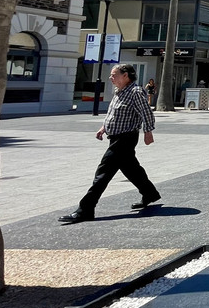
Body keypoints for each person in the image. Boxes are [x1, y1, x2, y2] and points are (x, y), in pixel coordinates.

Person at [59, 63, 160, 224]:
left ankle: (85, 209)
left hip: (125, 138)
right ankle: (150, 193)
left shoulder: (135, 92)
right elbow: (114, 113)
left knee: (103, 172)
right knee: (131, 169)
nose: (111, 78)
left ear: (125, 75)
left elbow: (146, 112)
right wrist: (104, 128)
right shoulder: (118, 91)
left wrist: (148, 132)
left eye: (114, 75)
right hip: (115, 137)